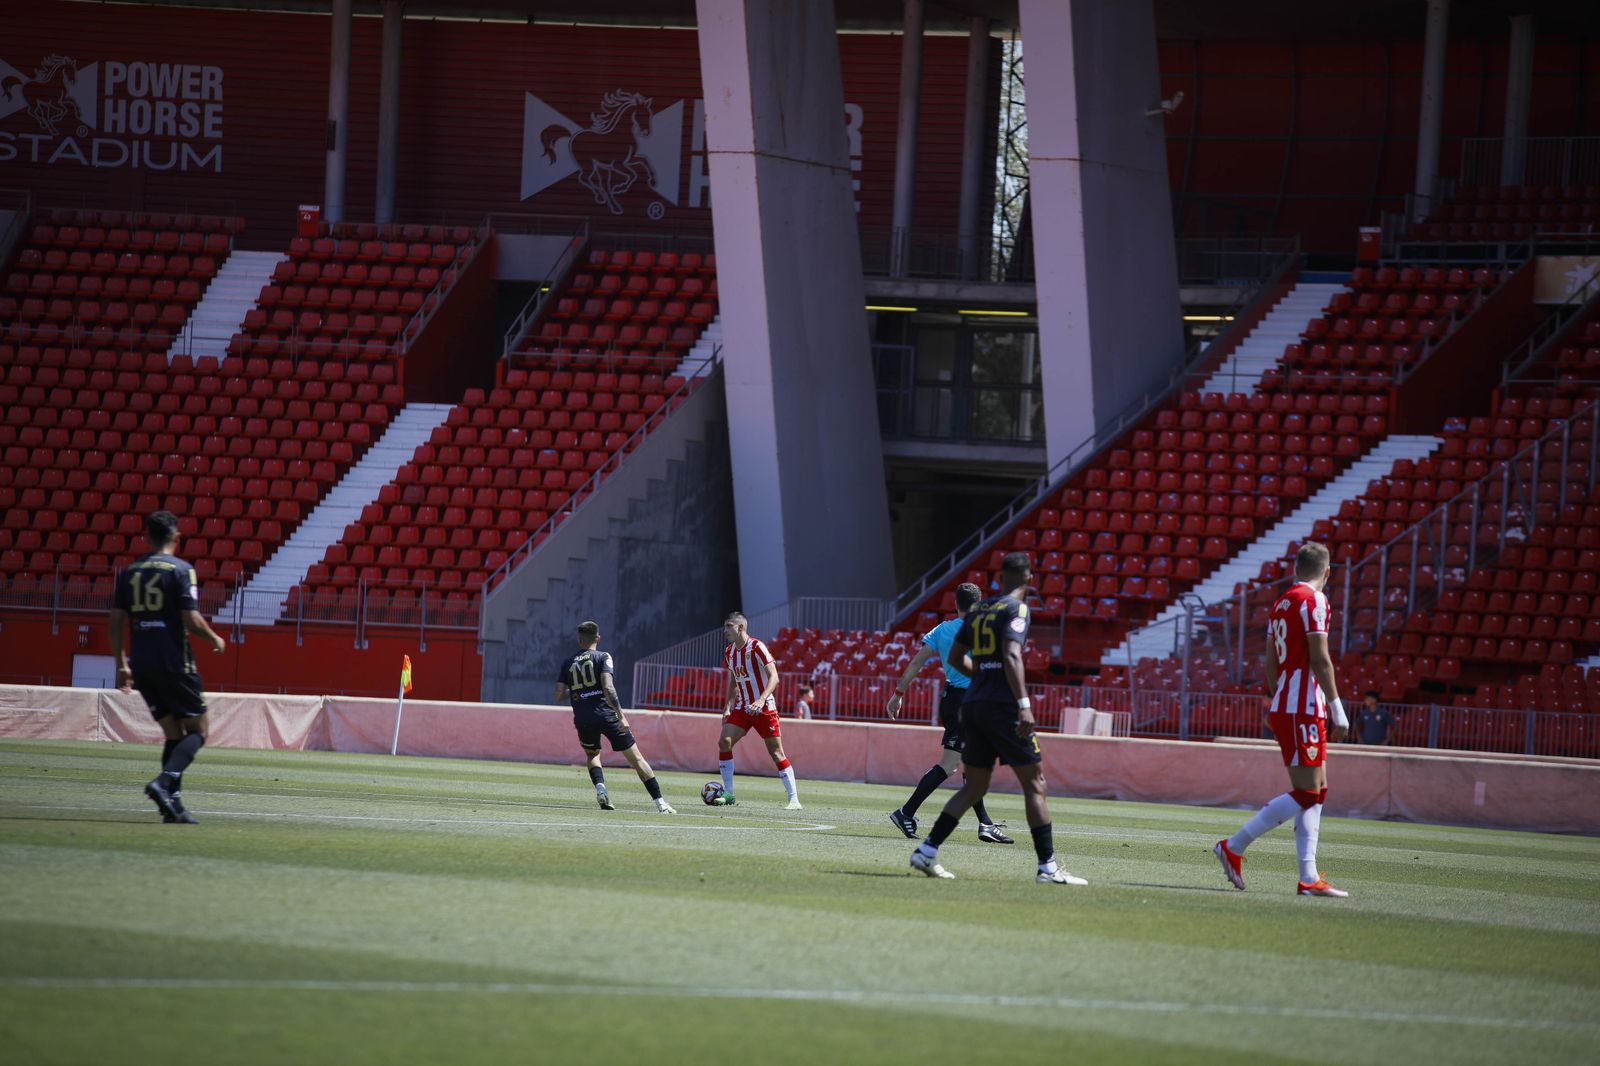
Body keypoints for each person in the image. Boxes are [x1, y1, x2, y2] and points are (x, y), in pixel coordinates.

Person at [909, 553, 1086, 885]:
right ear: (1029, 579)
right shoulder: (1016, 609)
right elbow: (1011, 654)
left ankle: (928, 850)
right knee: (1035, 783)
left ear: (1000, 578)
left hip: (972, 705)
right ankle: (1047, 867)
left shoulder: (979, 610)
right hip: (1002, 706)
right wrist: (1023, 704)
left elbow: (955, 657)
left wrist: (981, 679)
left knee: (975, 784)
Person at [1214, 542, 1350, 898]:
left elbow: (1270, 663)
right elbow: (1320, 659)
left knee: (1317, 792)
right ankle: (1234, 845)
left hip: (1294, 702)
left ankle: (1308, 877)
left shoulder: (1282, 602)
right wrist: (1338, 707)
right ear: (1327, 571)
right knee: (1308, 791)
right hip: (1303, 705)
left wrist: (1280, 697)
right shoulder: (1314, 601)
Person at [107, 510, 226, 825]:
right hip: (175, 662)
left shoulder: (130, 572)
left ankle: (172, 806)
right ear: (176, 537)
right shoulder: (182, 570)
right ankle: (164, 781)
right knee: (199, 731)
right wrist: (214, 637)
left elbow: (116, 620)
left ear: (147, 536)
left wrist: (122, 664)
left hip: (142, 663)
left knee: (173, 732)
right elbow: (191, 619)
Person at [886, 581, 1014, 845]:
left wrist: (898, 694)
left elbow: (917, 662)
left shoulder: (942, 629)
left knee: (969, 763)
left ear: (956, 604)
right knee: (953, 764)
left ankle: (984, 823)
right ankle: (906, 812)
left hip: (953, 699)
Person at [554, 621, 675, 814]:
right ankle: (661, 803)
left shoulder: (567, 663)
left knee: (593, 755)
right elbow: (608, 687)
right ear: (598, 637)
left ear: (579, 639)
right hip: (606, 715)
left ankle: (600, 788)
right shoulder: (603, 656)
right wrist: (621, 716)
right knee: (637, 759)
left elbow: (558, 694)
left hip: (583, 717)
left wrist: (580, 690)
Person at [713, 612, 801, 809]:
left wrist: (761, 700)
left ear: (740, 627)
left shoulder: (757, 647)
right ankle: (729, 794)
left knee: (776, 753)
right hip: (743, 707)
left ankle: (794, 799)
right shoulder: (729, 652)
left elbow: (774, 677)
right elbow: (734, 680)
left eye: (729, 626)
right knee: (724, 741)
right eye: (725, 626)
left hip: (764, 707)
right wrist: (728, 706)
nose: (725, 630)